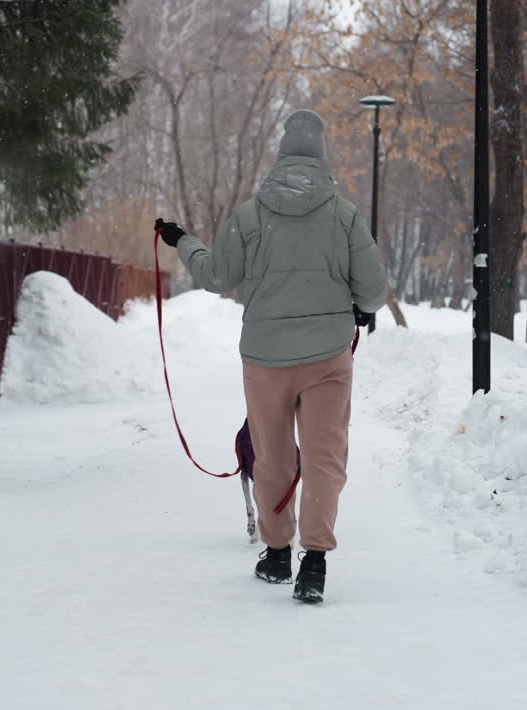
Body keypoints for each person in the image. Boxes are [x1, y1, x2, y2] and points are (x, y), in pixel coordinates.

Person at [155, 109, 388, 603]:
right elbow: (374, 288)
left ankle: (278, 553)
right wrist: (361, 309)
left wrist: (183, 241)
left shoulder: (250, 214)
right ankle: (315, 563)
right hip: (327, 357)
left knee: (274, 455)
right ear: (321, 156)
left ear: (281, 155)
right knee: (325, 458)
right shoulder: (343, 215)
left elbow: (218, 276)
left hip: (264, 359)